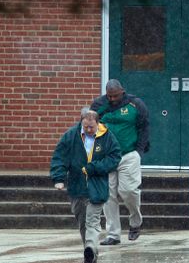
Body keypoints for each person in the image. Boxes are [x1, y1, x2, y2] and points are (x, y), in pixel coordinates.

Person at [50, 108, 121, 263]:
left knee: (92, 220)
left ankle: (90, 247)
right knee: (83, 222)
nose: (89, 130)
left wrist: (94, 168)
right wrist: (59, 178)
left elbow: (115, 157)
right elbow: (59, 157)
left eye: (92, 127)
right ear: (81, 122)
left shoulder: (107, 136)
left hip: (97, 186)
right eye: (86, 127)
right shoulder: (70, 136)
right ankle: (89, 252)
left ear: (98, 123)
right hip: (77, 186)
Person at [90, 79, 150, 245]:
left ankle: (135, 222)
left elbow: (144, 127)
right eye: (109, 96)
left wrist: (139, 150)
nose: (112, 99)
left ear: (122, 91)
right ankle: (113, 234)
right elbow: (89, 126)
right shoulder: (98, 105)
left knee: (128, 190)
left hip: (129, 154)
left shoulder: (135, 104)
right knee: (108, 195)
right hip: (106, 155)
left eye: (115, 96)